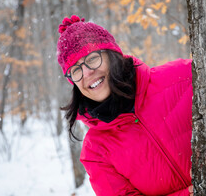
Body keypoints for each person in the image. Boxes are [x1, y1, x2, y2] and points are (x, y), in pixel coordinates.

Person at [57, 15, 194, 196]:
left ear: (112, 55)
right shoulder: (95, 152)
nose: (87, 73)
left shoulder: (181, 76)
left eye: (92, 59)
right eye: (75, 70)